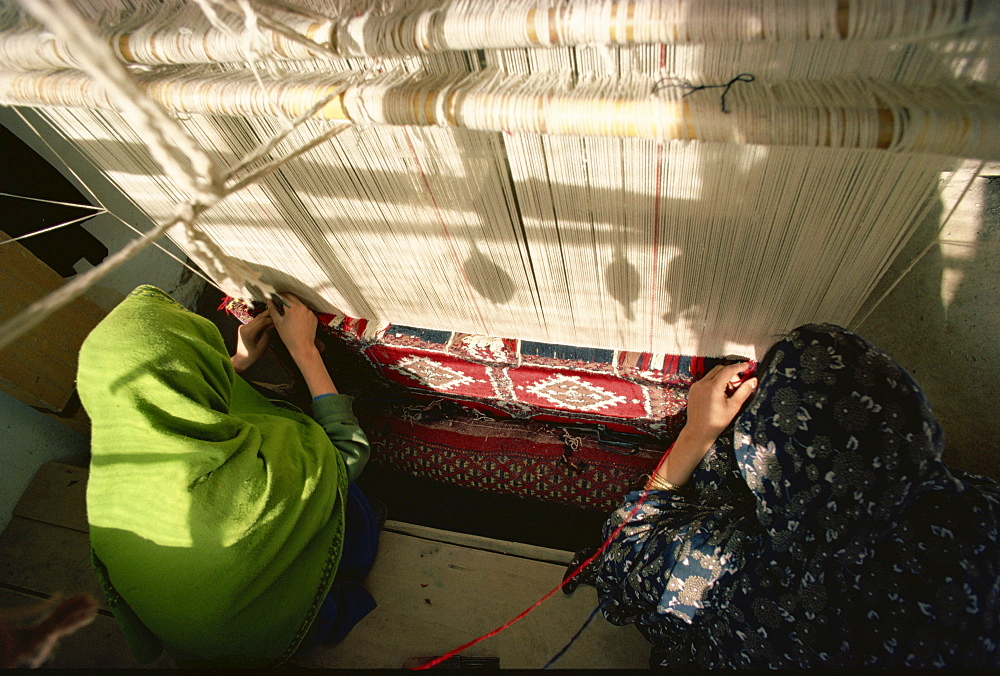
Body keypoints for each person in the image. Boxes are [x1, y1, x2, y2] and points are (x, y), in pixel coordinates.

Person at [572, 324, 999, 668]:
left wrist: (696, 433)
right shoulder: (978, 517)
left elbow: (624, 547)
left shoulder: (745, 581)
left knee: (717, 469)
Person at [77, 285, 379, 667]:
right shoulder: (245, 491)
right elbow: (347, 451)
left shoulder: (113, 475)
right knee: (351, 504)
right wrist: (304, 351)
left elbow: (178, 396)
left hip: (195, 640)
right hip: (270, 632)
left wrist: (235, 362)